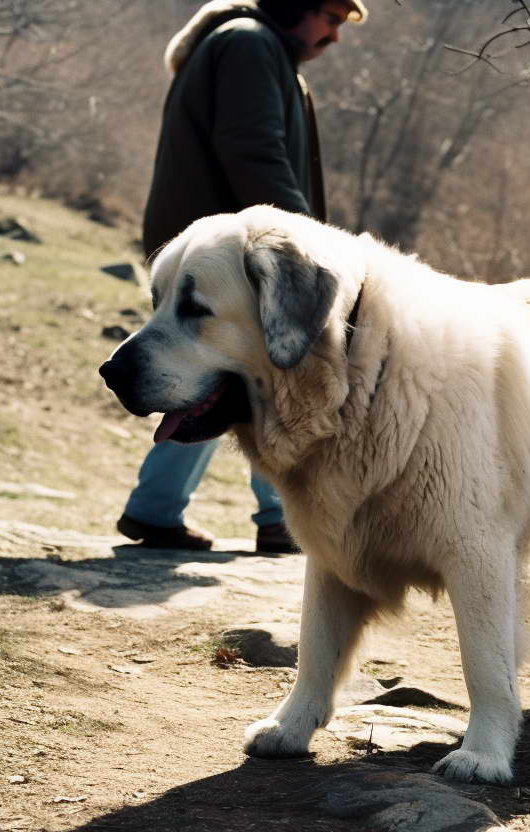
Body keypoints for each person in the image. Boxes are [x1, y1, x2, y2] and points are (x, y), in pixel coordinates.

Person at [116, 0, 366, 553]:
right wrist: (312, 249)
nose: (334, 35)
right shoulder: (250, 43)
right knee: (257, 371)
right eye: (329, 16)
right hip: (224, 264)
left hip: (220, 258)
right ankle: (276, 516)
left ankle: (160, 510)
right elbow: (254, 152)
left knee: (216, 379)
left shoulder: (255, 48)